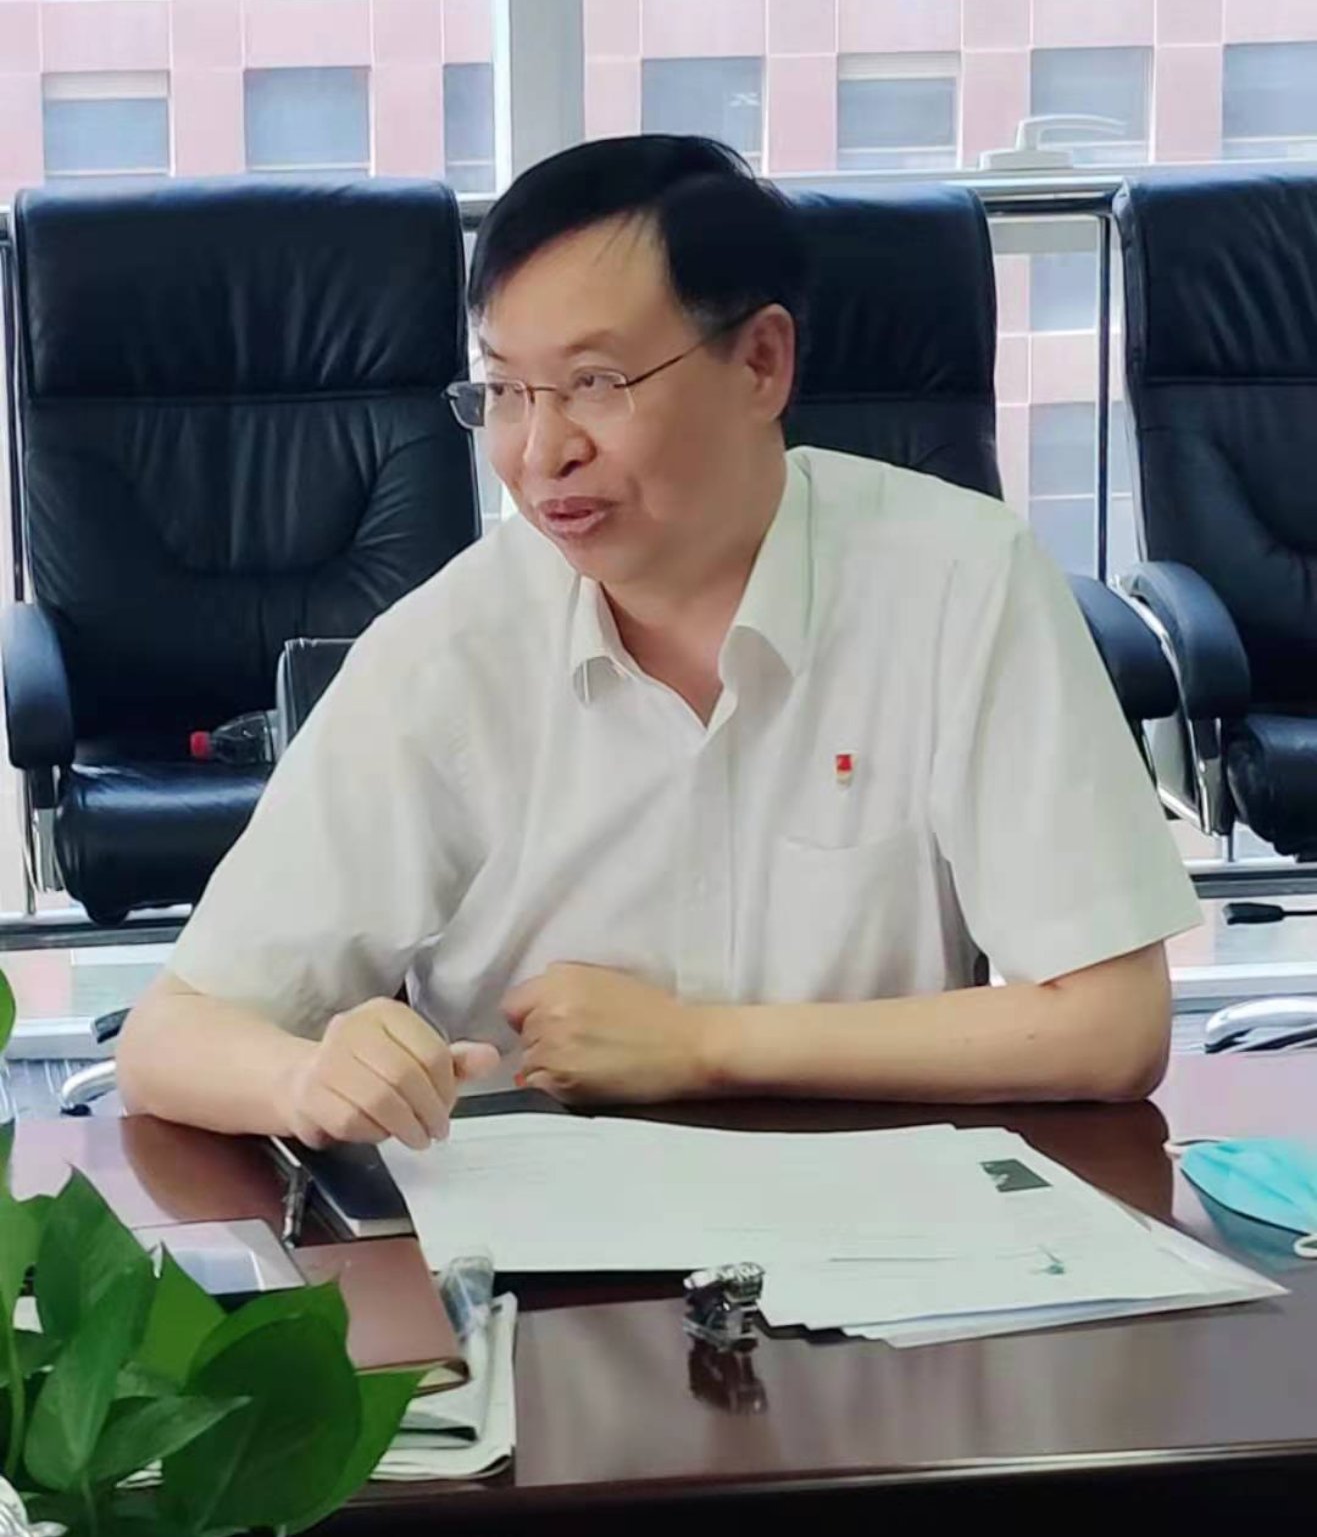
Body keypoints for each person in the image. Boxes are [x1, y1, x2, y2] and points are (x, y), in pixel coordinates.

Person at [119, 136, 1198, 1151]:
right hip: (543, 1249)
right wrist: (310, 1078)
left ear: (761, 362)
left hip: (890, 1226)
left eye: (596, 383)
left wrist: (701, 1044)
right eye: (505, 391)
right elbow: (170, 1037)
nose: (542, 451)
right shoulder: (449, 650)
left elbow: (1110, 1025)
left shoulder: (961, 583)